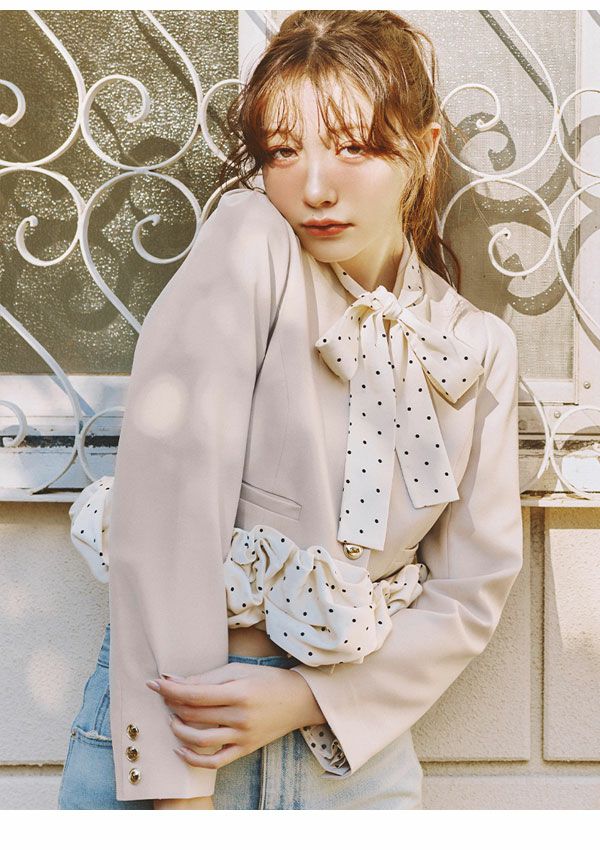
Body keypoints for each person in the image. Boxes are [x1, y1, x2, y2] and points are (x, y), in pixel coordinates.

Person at [58, 10, 523, 810]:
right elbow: (168, 507)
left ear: (425, 148)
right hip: (185, 724)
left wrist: (309, 698)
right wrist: (180, 796)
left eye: (354, 147)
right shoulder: (252, 245)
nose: (313, 187)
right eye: (283, 151)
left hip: (353, 761)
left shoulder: (477, 345)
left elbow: (471, 590)